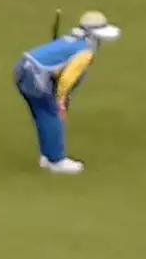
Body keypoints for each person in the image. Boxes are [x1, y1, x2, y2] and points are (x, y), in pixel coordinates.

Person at [13, 10, 119, 172]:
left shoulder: (72, 39)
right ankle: (56, 161)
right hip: (35, 76)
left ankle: (48, 156)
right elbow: (68, 78)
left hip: (24, 68)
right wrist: (61, 100)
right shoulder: (85, 51)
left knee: (43, 114)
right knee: (51, 114)